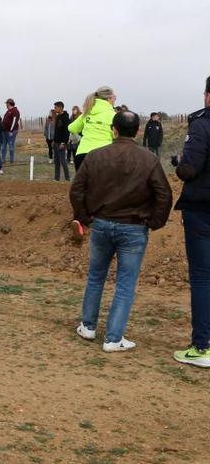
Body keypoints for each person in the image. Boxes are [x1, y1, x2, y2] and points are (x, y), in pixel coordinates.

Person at [70, 111, 172, 352]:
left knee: (96, 276)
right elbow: (164, 194)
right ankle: (114, 339)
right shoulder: (149, 160)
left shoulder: (95, 157)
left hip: (102, 224)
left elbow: (76, 190)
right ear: (137, 131)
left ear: (113, 130)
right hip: (134, 228)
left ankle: (88, 326)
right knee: (125, 284)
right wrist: (154, 222)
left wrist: (84, 217)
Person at [171, 75, 210, 367]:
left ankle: (201, 347)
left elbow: (190, 169)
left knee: (202, 277)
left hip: (202, 209)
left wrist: (179, 165)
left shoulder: (202, 124)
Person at [69, 86, 116, 171]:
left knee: (82, 184)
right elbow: (116, 135)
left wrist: (82, 134)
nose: (114, 100)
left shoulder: (87, 112)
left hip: (82, 155)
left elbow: (71, 128)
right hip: (104, 155)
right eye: (114, 98)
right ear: (109, 98)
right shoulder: (112, 115)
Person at [52, 102, 71, 182]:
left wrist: (64, 142)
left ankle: (67, 178)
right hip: (56, 142)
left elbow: (66, 131)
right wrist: (54, 140)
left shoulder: (65, 118)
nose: (54, 109)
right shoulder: (57, 117)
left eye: (56, 107)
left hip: (61, 143)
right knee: (56, 161)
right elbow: (57, 131)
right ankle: (57, 178)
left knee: (63, 161)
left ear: (60, 108)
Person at [2, 98, 21, 163]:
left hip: (11, 131)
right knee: (3, 145)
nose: (6, 105)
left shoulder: (15, 111)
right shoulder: (8, 111)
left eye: (6, 104)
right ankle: (3, 159)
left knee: (11, 145)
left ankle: (11, 160)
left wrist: (11, 130)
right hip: (4, 131)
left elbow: (14, 121)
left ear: (9, 104)